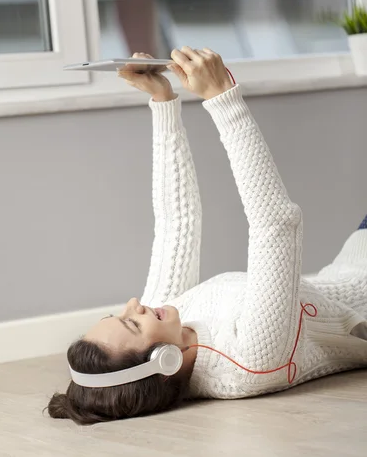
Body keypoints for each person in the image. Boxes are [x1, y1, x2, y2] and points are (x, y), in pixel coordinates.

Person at [47, 47, 367, 425]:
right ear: (163, 361)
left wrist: (163, 101)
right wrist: (222, 98)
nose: (135, 303)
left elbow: (176, 221)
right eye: (131, 323)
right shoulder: (252, 357)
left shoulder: (171, 326)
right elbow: (276, 225)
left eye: (119, 313)